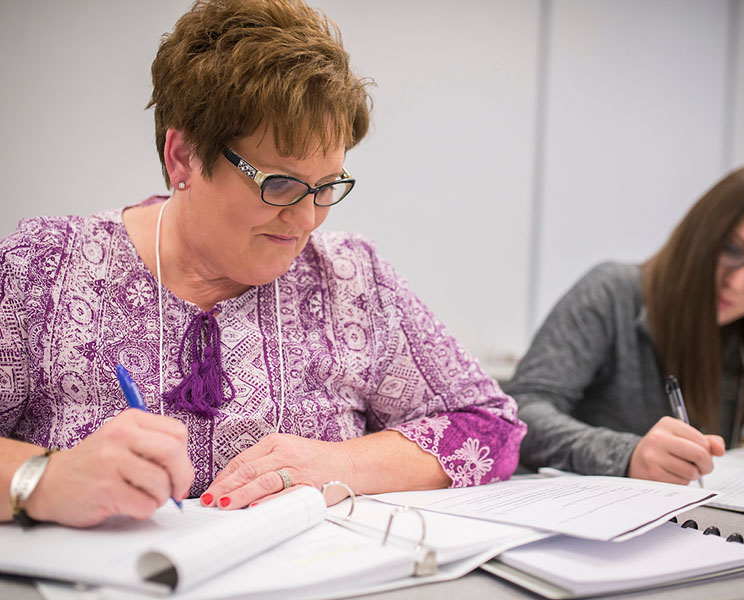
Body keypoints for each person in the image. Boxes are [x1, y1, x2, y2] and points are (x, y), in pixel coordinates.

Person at [0, 0, 525, 528]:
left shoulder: (351, 278)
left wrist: (343, 462)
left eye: (326, 188)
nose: (305, 220)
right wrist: (41, 478)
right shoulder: (45, 269)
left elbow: (492, 428)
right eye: (280, 184)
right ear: (182, 157)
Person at [506, 163, 744, 484]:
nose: (738, 283)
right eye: (732, 249)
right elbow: (521, 413)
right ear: (700, 233)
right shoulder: (613, 292)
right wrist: (627, 455)